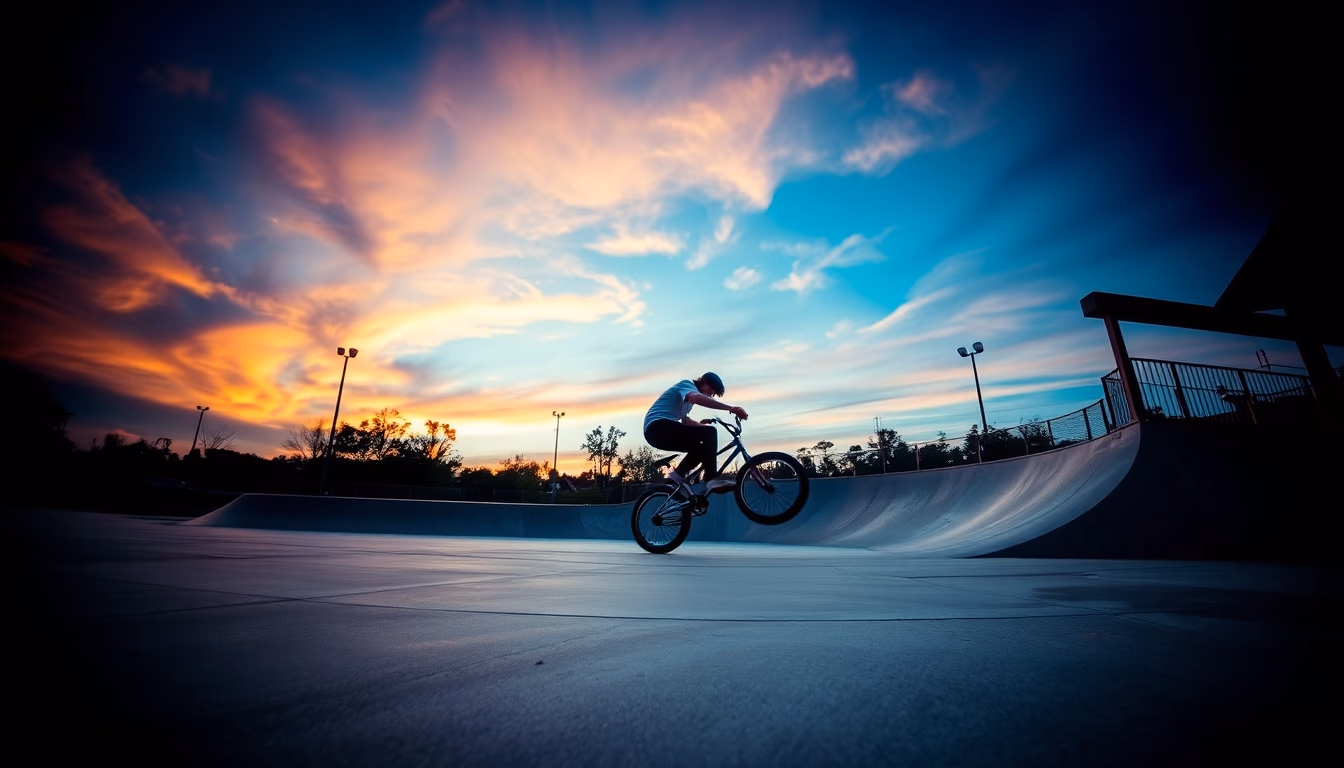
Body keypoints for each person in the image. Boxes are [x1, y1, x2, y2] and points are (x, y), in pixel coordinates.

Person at [643, 372, 748, 495]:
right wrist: (731, 408)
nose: (711, 395)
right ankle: (711, 479)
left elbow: (684, 421)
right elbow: (696, 398)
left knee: (701, 448)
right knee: (710, 432)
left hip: (658, 434)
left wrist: (701, 426)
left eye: (714, 393)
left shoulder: (686, 401)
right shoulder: (687, 385)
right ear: (701, 381)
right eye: (712, 390)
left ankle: (674, 479)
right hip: (657, 427)